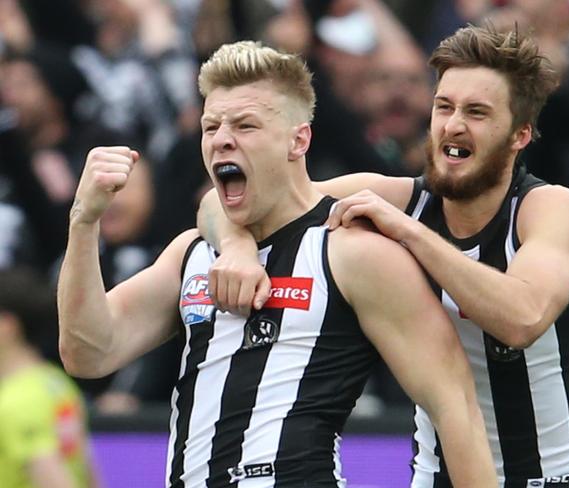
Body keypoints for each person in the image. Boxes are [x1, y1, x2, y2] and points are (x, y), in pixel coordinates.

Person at [197, 25, 569, 487]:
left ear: (520, 135)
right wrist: (239, 247)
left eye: (477, 112)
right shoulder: (399, 199)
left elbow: (522, 317)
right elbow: (227, 202)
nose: (453, 125)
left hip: (559, 480)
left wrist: (410, 234)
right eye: (444, 107)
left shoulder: (548, 208)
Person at [56, 41, 497, 487]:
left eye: (246, 125)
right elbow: (88, 352)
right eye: (211, 127)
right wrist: (83, 221)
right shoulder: (193, 251)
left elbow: (454, 404)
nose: (222, 139)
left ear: (298, 139)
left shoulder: (352, 250)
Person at [0, 267, 96, 488]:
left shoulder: (18, 402)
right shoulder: (56, 382)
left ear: (7, 325)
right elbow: (87, 467)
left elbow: (53, 478)